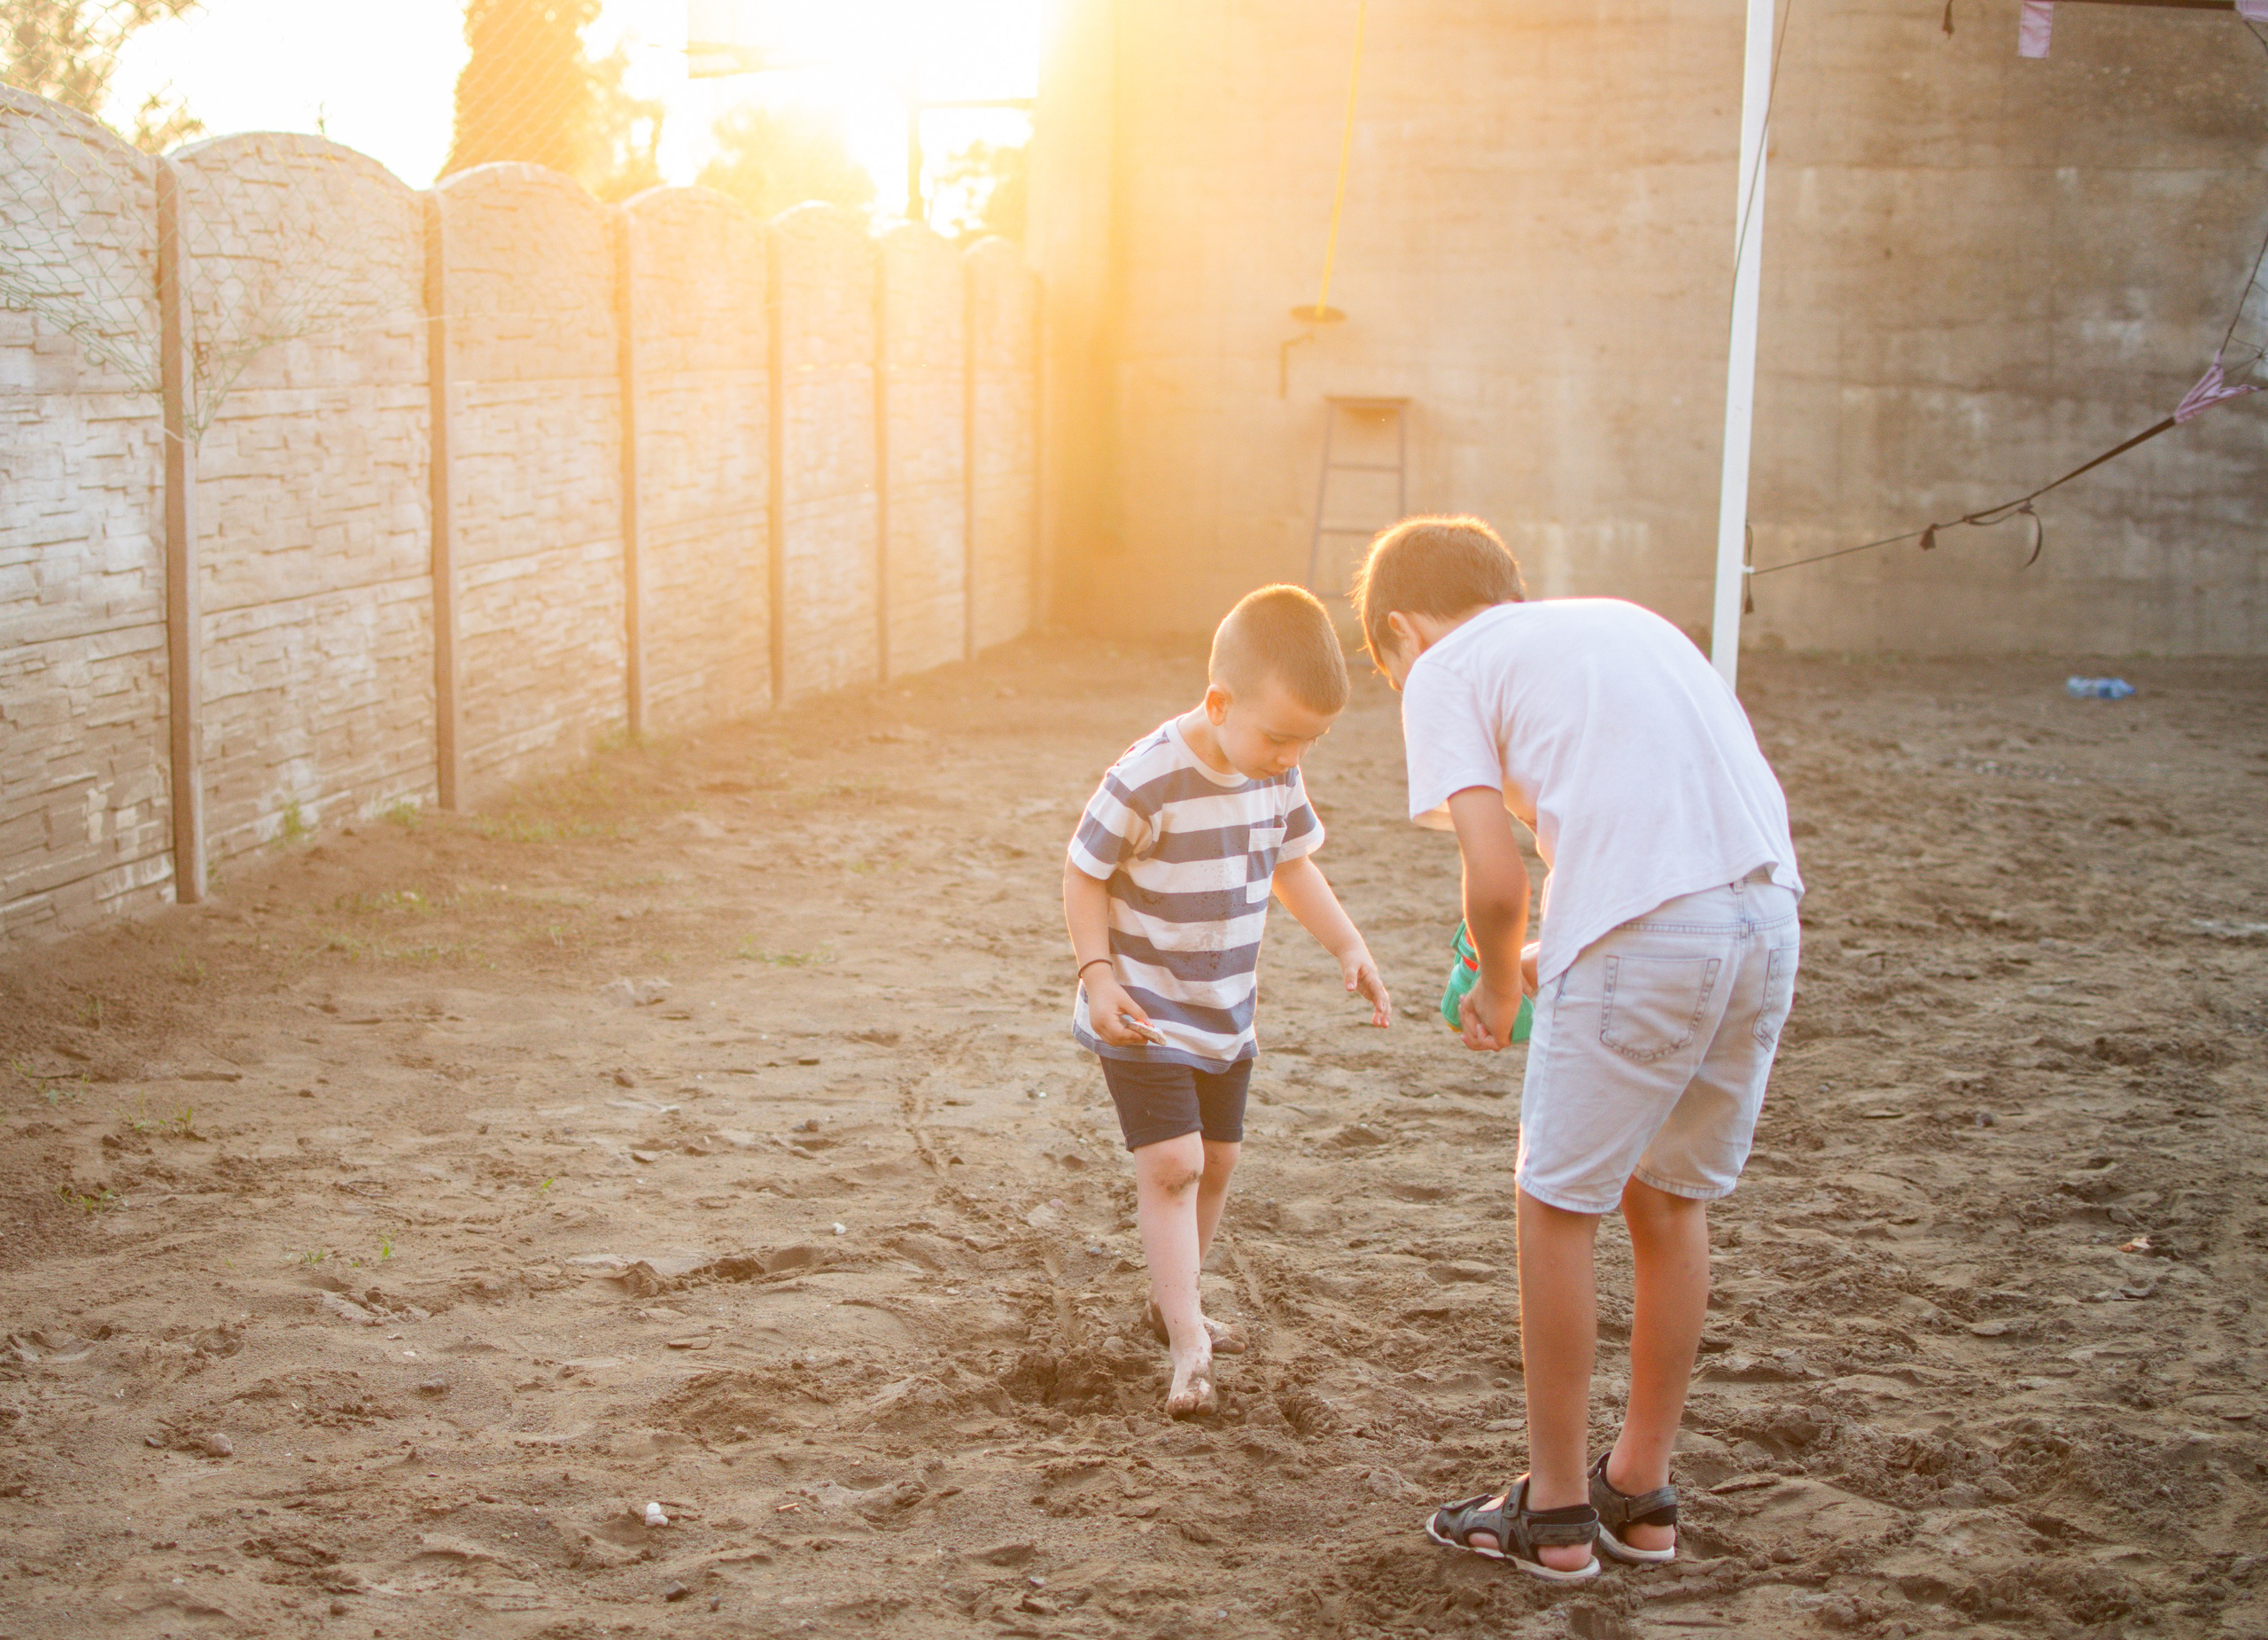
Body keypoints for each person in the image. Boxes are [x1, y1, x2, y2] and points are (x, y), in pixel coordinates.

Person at [1354, 517, 1801, 1582]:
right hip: (1766, 918)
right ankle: (1640, 1494)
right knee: (1667, 1198)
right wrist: (1539, 962)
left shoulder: (1442, 667)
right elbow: (1663, 869)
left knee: (1555, 1205)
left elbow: (1498, 881)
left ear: (1401, 633)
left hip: (1653, 936)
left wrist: (1501, 983)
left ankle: (1552, 1515)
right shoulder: (1617, 623)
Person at [1063, 584, 1392, 1417]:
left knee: (1219, 1162)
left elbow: (1292, 867)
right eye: (1280, 735)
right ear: (1219, 701)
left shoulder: (1277, 776)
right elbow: (1084, 870)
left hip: (1224, 1010)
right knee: (1174, 1166)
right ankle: (1188, 1343)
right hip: (1143, 1009)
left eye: (1308, 742)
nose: (1291, 756)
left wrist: (1348, 945)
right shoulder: (1146, 776)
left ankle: (1174, 1299)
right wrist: (1097, 975)